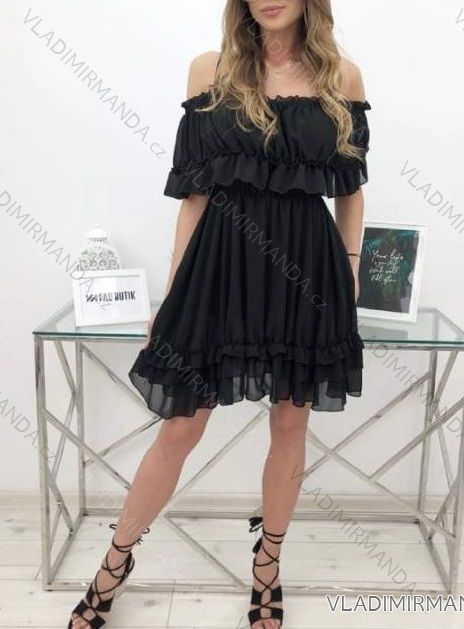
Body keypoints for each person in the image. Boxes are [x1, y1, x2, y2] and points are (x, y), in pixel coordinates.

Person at [68, 0, 370, 627]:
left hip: (307, 269)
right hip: (220, 265)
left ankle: (268, 567)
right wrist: (173, 292)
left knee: (290, 424)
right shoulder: (212, 69)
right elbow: (193, 195)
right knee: (181, 426)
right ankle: (114, 563)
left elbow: (350, 189)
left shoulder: (342, 76)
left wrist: (349, 269)